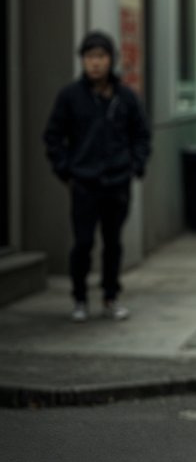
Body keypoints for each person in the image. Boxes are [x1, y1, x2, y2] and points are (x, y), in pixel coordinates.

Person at [43, 30, 151, 322]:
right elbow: (53, 137)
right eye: (90, 57)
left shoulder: (126, 97)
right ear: (82, 61)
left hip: (117, 182)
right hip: (84, 183)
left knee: (113, 243)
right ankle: (79, 298)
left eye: (101, 57)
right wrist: (65, 170)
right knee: (82, 243)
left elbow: (141, 134)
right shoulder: (70, 96)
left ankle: (110, 296)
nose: (95, 63)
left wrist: (135, 165)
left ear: (111, 60)